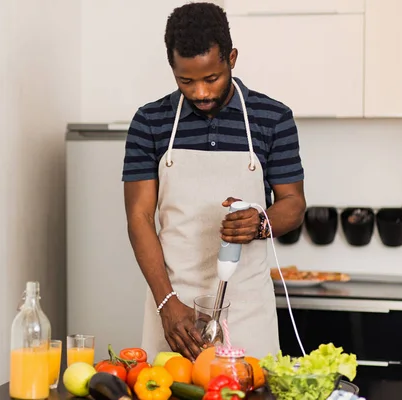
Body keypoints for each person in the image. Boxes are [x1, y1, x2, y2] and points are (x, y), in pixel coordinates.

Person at [121, 2, 306, 362]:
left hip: (248, 309)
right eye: (186, 81)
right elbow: (139, 219)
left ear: (231, 59)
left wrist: (261, 222)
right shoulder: (150, 122)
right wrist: (167, 303)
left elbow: (294, 205)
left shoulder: (273, 118)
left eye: (212, 78)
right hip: (176, 312)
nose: (201, 93)